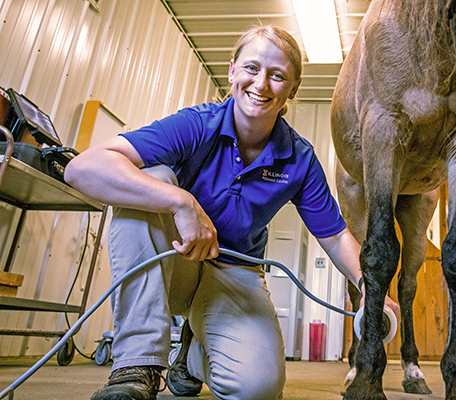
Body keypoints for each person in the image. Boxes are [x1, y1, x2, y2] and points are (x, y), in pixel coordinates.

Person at [65, 23, 399, 400]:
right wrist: (180, 201)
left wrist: (371, 287)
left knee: (257, 389)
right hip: (179, 261)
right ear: (232, 71)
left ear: (293, 89)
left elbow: (336, 236)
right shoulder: (195, 125)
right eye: (252, 68)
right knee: (150, 180)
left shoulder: (300, 158)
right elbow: (81, 169)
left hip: (236, 272)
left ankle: (192, 358)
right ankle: (134, 368)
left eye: (277, 76)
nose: (261, 84)